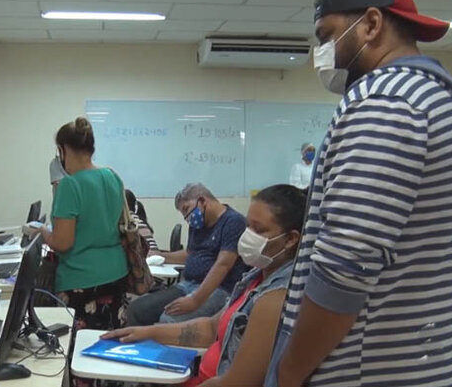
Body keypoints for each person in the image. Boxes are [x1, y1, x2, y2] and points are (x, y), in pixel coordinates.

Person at [266, 0, 452, 387]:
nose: (322, 51)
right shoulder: (428, 98)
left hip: (361, 369)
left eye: (326, 35)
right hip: (409, 359)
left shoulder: (386, 103)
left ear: (370, 24)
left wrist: (291, 370)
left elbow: (346, 265)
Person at [103, 185, 306, 387]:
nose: (248, 236)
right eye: (249, 227)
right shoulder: (254, 278)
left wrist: (195, 300)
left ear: (290, 239)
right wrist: (146, 333)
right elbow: (211, 328)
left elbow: (236, 382)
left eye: (259, 230)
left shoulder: (274, 299)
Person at [38, 117, 128, 332]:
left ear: (62, 150)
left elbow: (63, 243)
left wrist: (43, 232)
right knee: (109, 340)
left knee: (79, 348)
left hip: (82, 279)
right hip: (116, 272)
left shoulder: (69, 185)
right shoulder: (111, 176)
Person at [126, 183, 248, 326]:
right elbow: (190, 254)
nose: (187, 217)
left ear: (202, 201)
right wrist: (162, 256)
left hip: (220, 289)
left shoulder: (233, 221)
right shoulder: (198, 224)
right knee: (136, 309)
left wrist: (195, 300)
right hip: (187, 285)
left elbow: (223, 264)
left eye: (186, 209)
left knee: (169, 321)